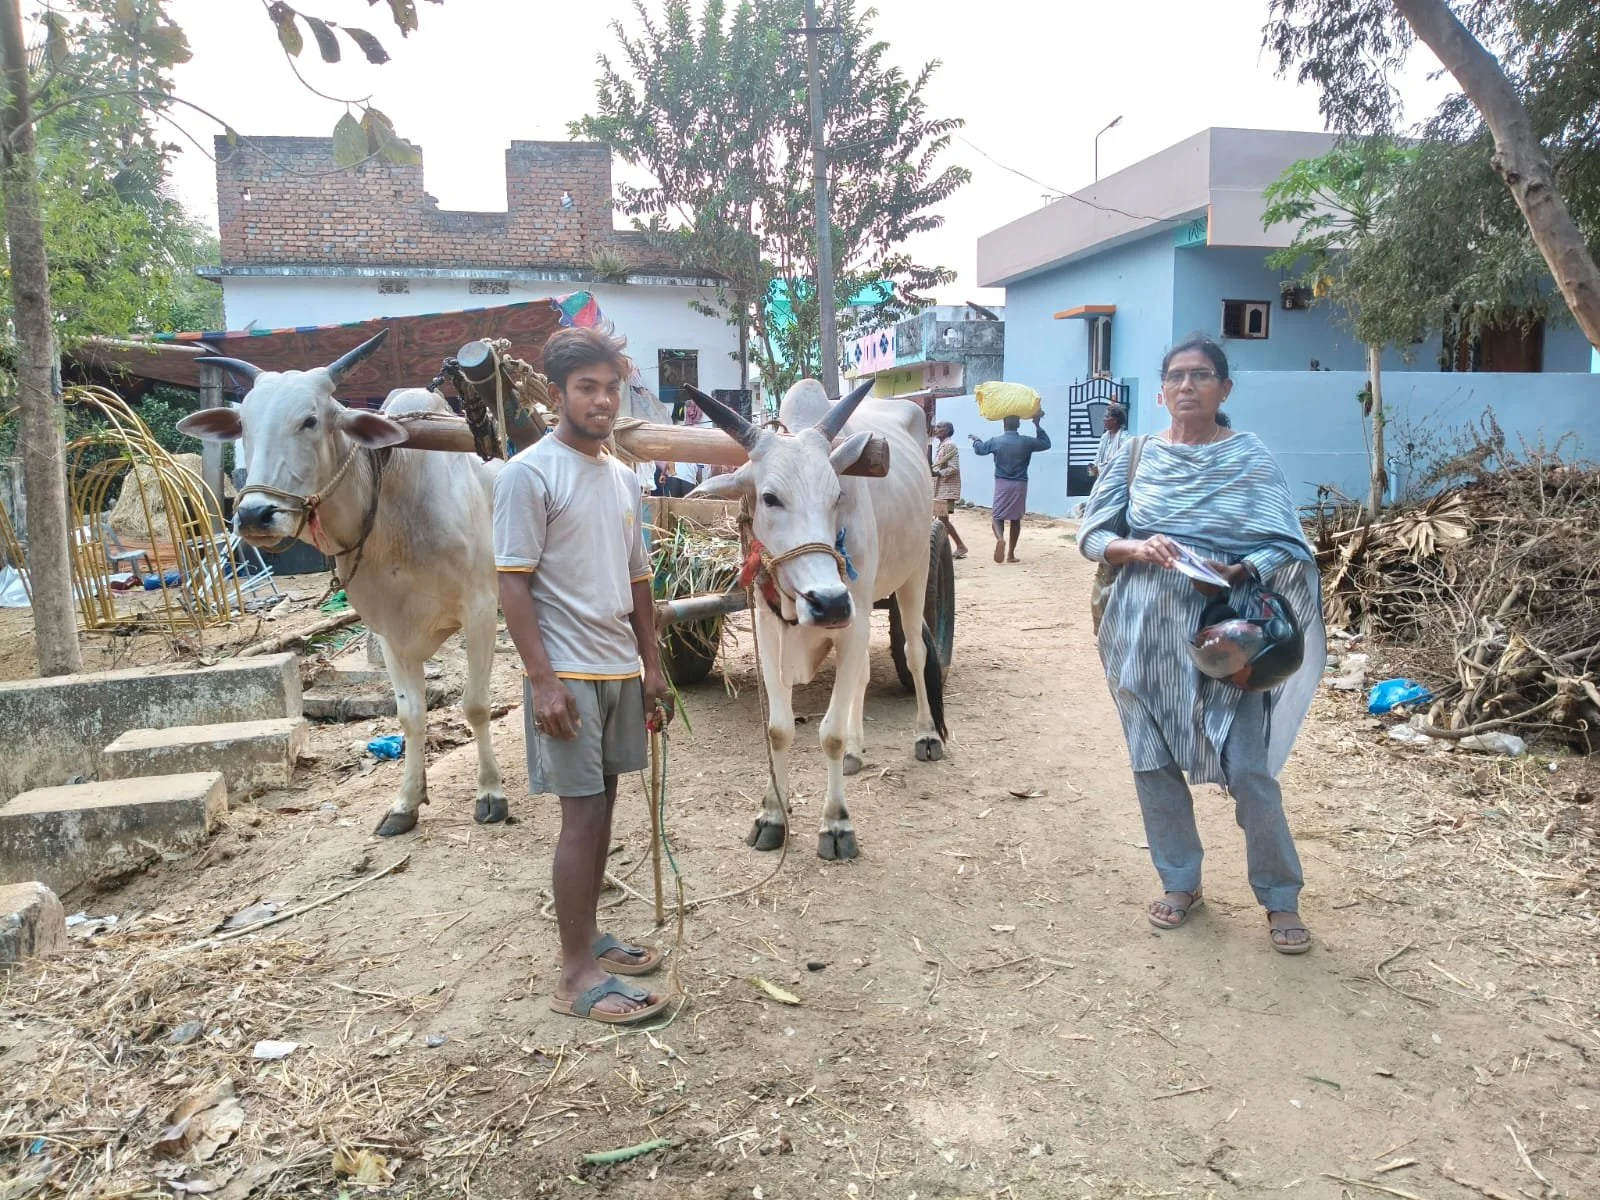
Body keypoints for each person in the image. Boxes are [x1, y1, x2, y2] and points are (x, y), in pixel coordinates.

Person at [1076, 335, 1326, 955]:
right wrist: (1134, 547)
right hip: (1141, 634)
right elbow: (1091, 534)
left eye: (1201, 376)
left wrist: (1241, 569)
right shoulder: (1135, 455)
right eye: (1176, 377)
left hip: (1226, 639)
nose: (1187, 386)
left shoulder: (1250, 457)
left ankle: (1280, 895)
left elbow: (1290, 545)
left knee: (1248, 769)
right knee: (1151, 762)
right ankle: (1180, 880)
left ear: (1224, 389)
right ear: (1161, 392)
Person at [494, 325, 678, 1023]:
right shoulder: (529, 474)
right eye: (587, 389)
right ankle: (574, 977)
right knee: (582, 819)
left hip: (616, 670)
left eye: (611, 389)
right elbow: (512, 584)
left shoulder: (623, 477)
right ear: (555, 394)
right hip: (566, 674)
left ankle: (591, 937)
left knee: (605, 808)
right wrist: (541, 680)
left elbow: (638, 578)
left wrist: (652, 663)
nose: (602, 402)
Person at [970, 413, 1050, 563]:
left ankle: (1000, 538)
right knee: (1015, 519)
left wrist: (976, 440)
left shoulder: (995, 441)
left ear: (1004, 424)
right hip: (1020, 483)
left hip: (1002, 482)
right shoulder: (1026, 441)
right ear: (1018, 425)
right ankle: (1011, 554)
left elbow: (980, 450)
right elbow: (1046, 443)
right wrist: (1037, 424)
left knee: (997, 516)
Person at [929, 421, 969, 559]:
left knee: (943, 520)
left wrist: (938, 473)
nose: (936, 429)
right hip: (941, 488)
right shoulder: (942, 445)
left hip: (946, 488)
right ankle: (952, 547)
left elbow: (953, 468)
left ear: (946, 430)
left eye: (939, 427)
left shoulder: (949, 445)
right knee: (941, 520)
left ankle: (960, 546)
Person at [1089, 403, 1128, 481]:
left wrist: (1102, 468)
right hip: (1102, 479)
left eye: (1107, 416)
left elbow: (1121, 462)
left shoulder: (1124, 438)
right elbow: (1098, 457)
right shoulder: (1104, 437)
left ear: (1115, 420)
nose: (1104, 419)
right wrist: (1094, 466)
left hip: (1115, 480)